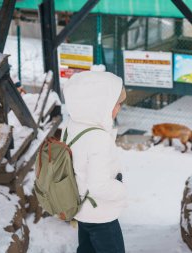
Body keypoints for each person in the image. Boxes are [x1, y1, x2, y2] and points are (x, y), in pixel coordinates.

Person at [64, 70, 127, 253]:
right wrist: (120, 189)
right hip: (100, 214)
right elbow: (99, 186)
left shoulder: (74, 124)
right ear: (100, 104)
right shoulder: (97, 137)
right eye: (116, 104)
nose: (119, 108)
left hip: (82, 207)